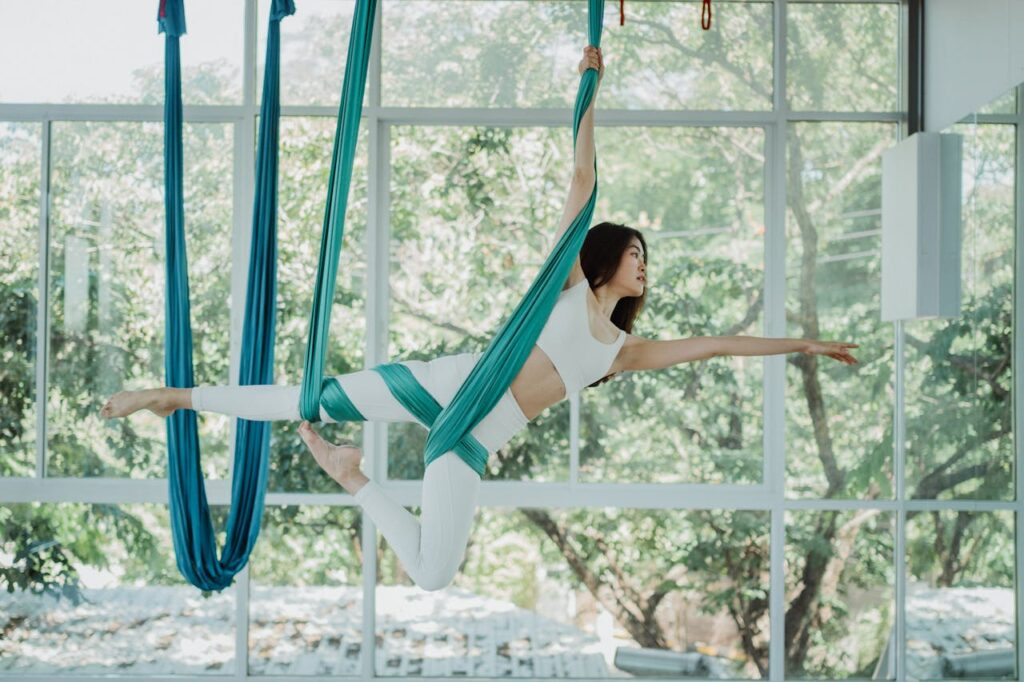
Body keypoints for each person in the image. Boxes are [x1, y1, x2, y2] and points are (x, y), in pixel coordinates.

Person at [100, 46, 858, 591]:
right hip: (446, 387)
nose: (642, 263)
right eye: (633, 251)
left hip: (474, 435)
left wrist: (804, 342)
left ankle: (351, 476)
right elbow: (584, 176)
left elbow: (719, 346)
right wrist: (590, 89)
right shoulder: (564, 289)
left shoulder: (622, 351)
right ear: (602, 260)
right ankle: (175, 396)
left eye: (644, 257)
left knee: (432, 575)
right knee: (309, 400)